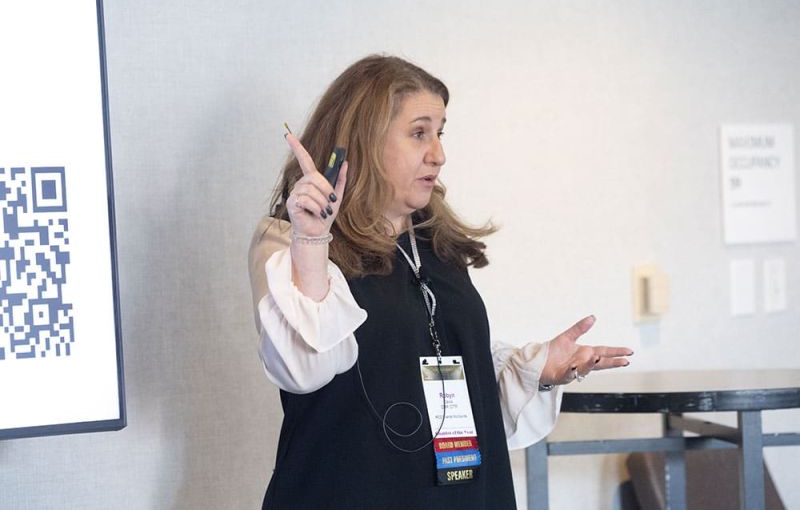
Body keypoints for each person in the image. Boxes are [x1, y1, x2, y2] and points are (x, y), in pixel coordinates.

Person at [248, 55, 633, 509]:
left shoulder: (436, 243)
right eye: (419, 133)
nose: (438, 154)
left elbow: (440, 374)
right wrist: (312, 240)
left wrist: (536, 370)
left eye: (440, 133)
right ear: (366, 139)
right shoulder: (288, 240)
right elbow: (304, 370)